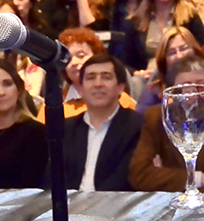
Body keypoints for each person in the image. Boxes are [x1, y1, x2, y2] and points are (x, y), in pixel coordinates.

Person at [131, 53, 204, 194]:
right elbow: (139, 176)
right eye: (184, 88)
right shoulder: (155, 118)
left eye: (200, 87)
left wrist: (163, 175)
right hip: (166, 204)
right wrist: (199, 178)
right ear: (170, 93)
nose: (193, 95)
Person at [62, 52, 144, 192]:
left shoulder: (139, 126)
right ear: (81, 88)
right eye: (91, 78)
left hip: (116, 203)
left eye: (106, 77)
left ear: (120, 87)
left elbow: (127, 180)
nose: (98, 84)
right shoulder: (66, 128)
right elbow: (52, 180)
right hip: (70, 204)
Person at [0, 59, 47, 188]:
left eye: (7, 84)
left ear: (19, 89)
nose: (1, 92)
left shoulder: (37, 133)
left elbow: (31, 185)